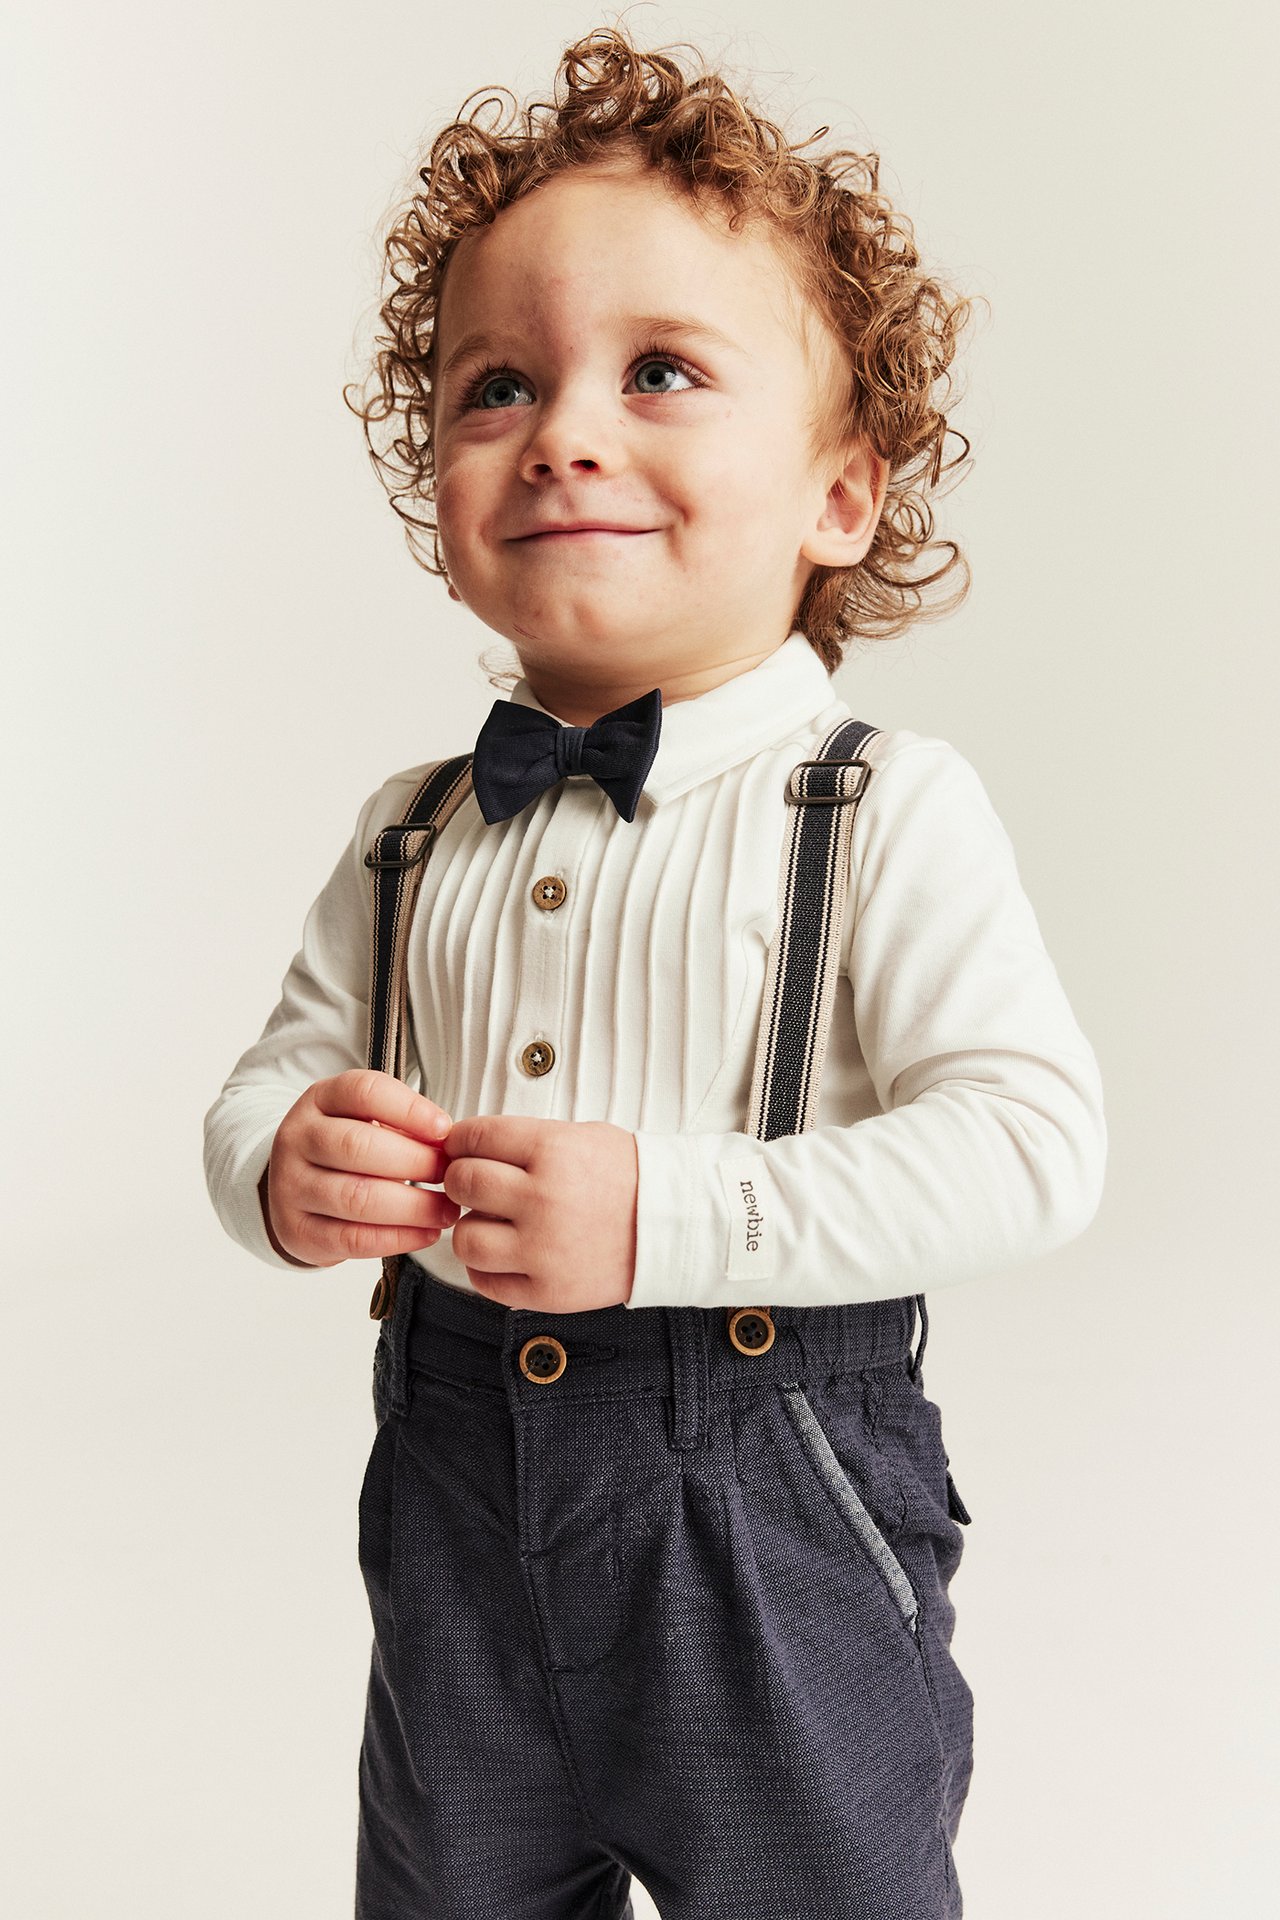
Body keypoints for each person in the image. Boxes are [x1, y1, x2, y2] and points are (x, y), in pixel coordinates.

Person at [202, 24, 1106, 1919]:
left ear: (840, 498)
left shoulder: (881, 811)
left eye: (664, 372)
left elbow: (1032, 1143)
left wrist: (673, 1213)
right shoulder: (410, 825)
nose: (568, 430)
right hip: (455, 1482)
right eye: (499, 383)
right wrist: (288, 1169)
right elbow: (268, 1077)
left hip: (763, 1503)